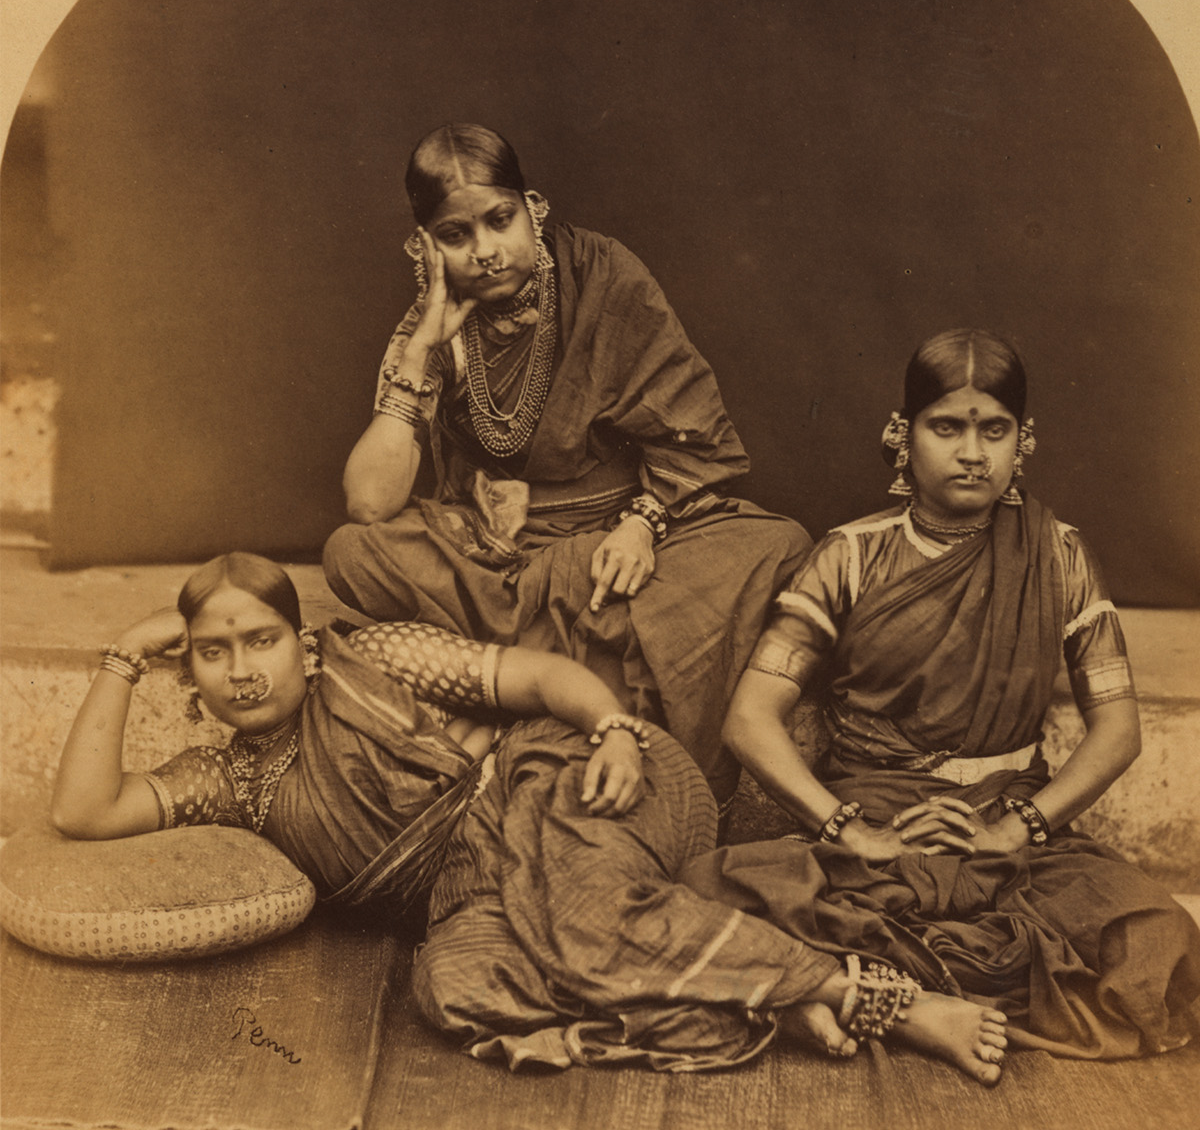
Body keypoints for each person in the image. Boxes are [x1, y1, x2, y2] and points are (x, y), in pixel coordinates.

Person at [52, 551, 1008, 1081]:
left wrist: (619, 729)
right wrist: (123, 657)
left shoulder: (377, 658)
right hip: (472, 892)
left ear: (304, 647)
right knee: (454, 988)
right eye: (212, 653)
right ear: (192, 669)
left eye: (260, 640)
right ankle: (763, 991)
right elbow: (85, 810)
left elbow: (542, 677)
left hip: (560, 782)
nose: (242, 668)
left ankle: (869, 994)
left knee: (582, 912)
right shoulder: (226, 781)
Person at [710, 328, 1200, 1059]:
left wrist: (1019, 826)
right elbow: (750, 719)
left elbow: (1119, 729)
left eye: (993, 430)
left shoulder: (1057, 553)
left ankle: (849, 992)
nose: (973, 452)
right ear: (904, 436)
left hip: (1008, 824)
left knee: (1158, 936)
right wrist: (847, 826)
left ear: (1022, 440)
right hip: (878, 821)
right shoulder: (850, 555)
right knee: (716, 895)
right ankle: (897, 1001)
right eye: (947, 427)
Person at [322, 123, 809, 808]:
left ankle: (541, 665)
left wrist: (642, 524)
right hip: (501, 556)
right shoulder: (430, 328)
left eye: (500, 221)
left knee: (776, 542)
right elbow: (369, 505)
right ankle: (581, 655)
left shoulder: (603, 275)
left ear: (535, 209)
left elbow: (692, 434)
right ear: (425, 247)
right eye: (456, 237)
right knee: (354, 553)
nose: (487, 252)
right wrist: (421, 348)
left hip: (619, 538)